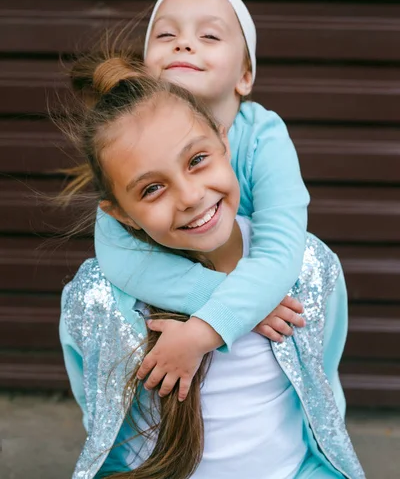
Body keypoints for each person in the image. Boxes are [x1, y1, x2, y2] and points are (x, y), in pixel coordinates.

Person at [59, 54, 364, 478]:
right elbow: (100, 411)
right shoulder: (98, 297)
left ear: (223, 141)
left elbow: (321, 384)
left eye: (197, 160)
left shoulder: (308, 267)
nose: (189, 196)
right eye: (151, 188)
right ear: (121, 215)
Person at [92, 0, 311, 400]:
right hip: (184, 294)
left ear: (245, 75)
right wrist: (238, 301)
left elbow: (282, 248)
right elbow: (120, 255)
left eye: (208, 35)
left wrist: (204, 332)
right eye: (166, 35)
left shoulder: (264, 135)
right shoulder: (123, 144)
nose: (184, 44)